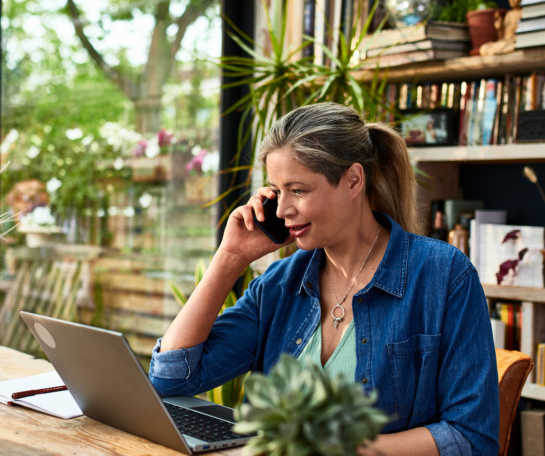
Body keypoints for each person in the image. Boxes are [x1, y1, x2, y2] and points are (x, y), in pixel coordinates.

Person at [149, 102, 499, 455]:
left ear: (353, 181)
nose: (283, 210)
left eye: (298, 190)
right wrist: (230, 257)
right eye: (277, 191)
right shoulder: (280, 284)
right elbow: (170, 379)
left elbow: (471, 438)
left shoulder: (443, 275)